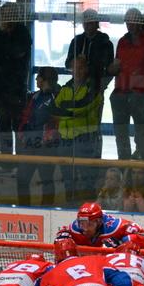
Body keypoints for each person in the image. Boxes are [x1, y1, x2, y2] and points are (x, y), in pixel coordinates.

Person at [108, 8, 144, 161]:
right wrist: (112, 69)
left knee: (141, 129)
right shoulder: (123, 41)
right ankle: (123, 163)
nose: (130, 25)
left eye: (133, 21)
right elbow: (117, 64)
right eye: (128, 21)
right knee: (120, 131)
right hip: (121, 91)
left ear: (140, 22)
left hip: (139, 93)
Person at [52, 55, 102, 203]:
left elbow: (83, 107)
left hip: (84, 139)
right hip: (65, 139)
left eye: (80, 67)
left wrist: (65, 111)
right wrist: (71, 112)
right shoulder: (66, 88)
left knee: (87, 179)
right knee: (67, 179)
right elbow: (54, 109)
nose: (77, 71)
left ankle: (89, 211)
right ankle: (69, 208)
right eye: (74, 68)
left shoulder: (93, 88)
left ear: (86, 69)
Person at [0, 3, 32, 156]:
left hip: (16, 87)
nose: (5, 18)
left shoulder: (23, 33)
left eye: (8, 14)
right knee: (3, 125)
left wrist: (4, 58)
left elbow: (17, 53)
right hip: (0, 87)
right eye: (3, 15)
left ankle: (21, 158)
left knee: (18, 124)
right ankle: (6, 160)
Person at [16, 66, 60, 205]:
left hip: (45, 147)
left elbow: (57, 120)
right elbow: (26, 116)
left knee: (46, 179)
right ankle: (24, 208)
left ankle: (46, 211)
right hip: (30, 144)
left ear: (44, 79)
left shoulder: (56, 96)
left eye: (38, 77)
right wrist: (22, 133)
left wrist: (48, 137)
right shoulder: (35, 96)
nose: (36, 79)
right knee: (22, 179)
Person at [64, 8, 114, 100]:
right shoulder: (77, 41)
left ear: (96, 24)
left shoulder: (105, 43)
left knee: (94, 112)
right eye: (85, 23)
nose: (87, 26)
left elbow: (108, 68)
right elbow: (67, 64)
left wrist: (101, 86)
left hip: (96, 86)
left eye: (90, 23)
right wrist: (77, 63)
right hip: (77, 85)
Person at [55, 201, 144, 247]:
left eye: (89, 224)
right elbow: (62, 234)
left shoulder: (115, 226)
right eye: (82, 224)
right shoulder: (75, 228)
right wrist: (62, 238)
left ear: (99, 222)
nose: (85, 229)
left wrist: (122, 243)